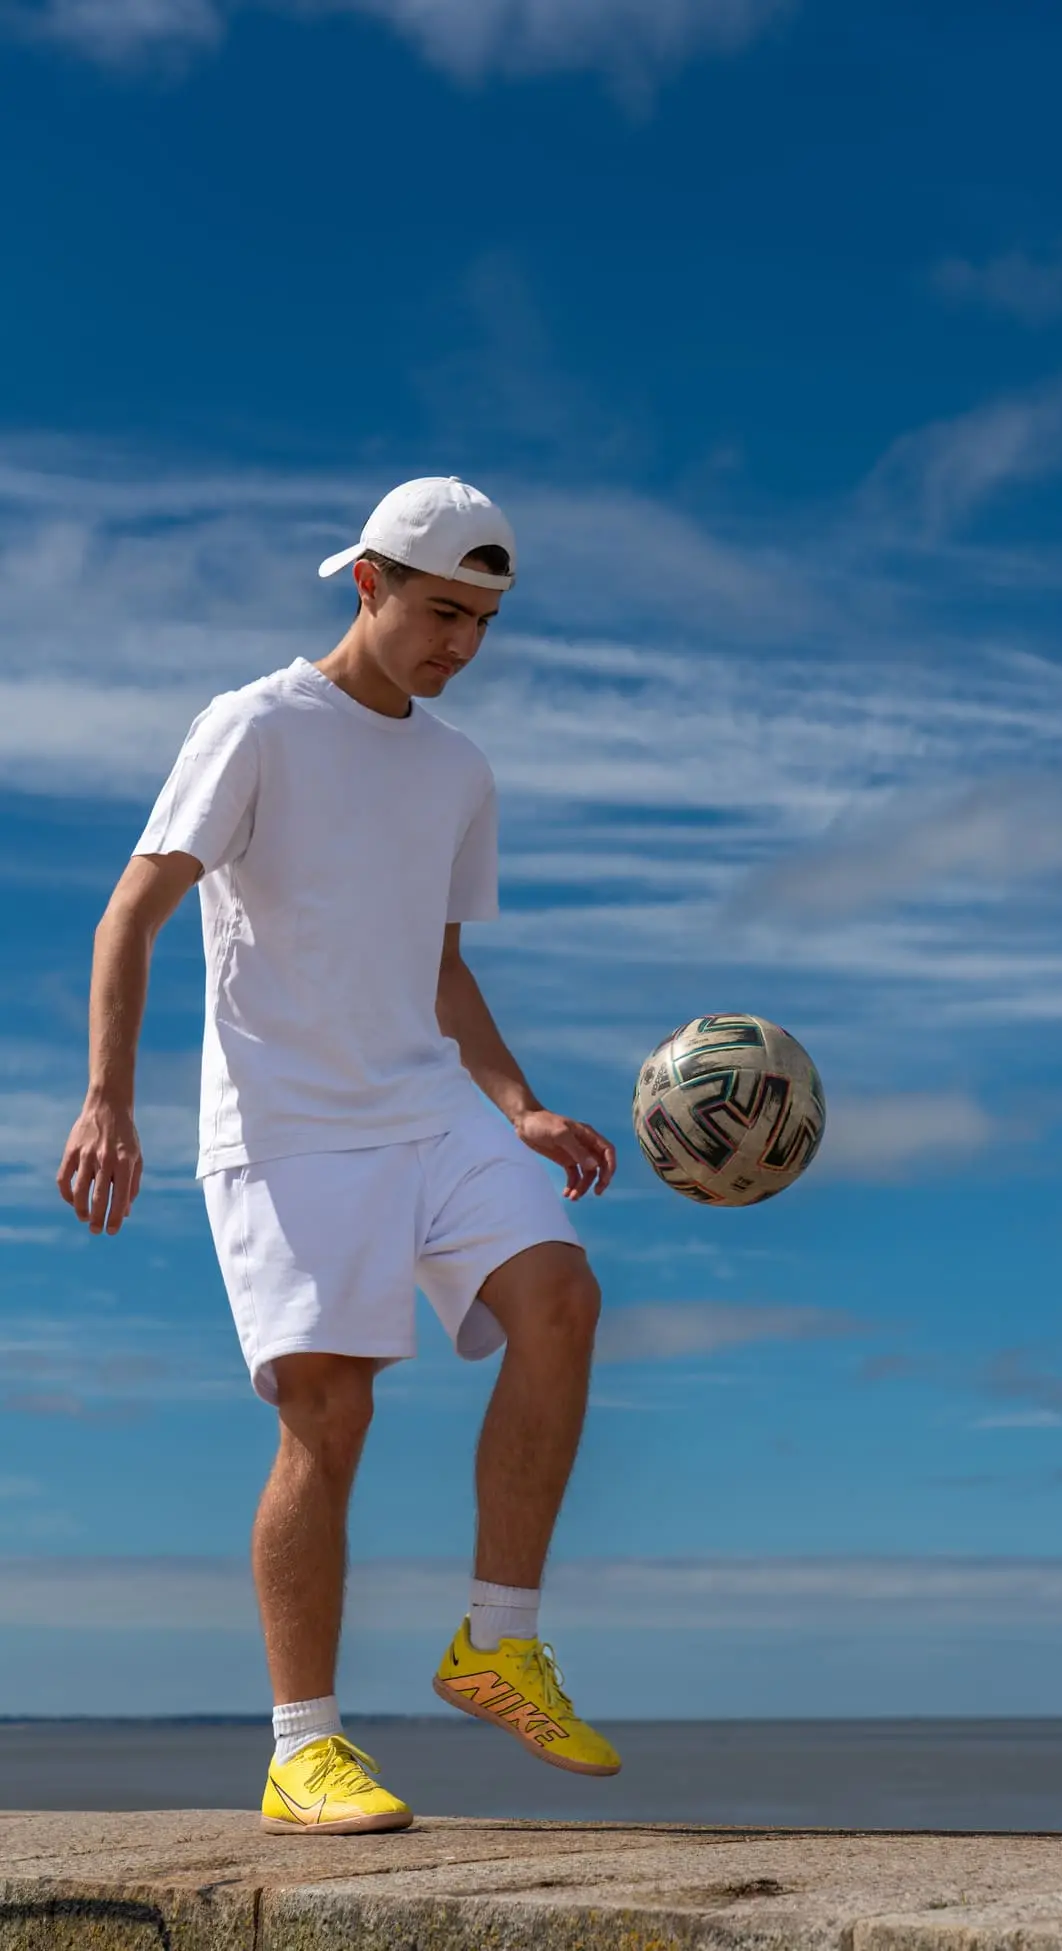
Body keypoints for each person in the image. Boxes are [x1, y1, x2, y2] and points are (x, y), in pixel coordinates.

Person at [56, 476, 621, 1834]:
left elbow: (438, 961)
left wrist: (520, 1102)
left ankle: (498, 1639)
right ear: (367, 583)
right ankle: (302, 1745)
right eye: (441, 612)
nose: (461, 647)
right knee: (331, 1413)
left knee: (564, 1296)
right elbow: (132, 910)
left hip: (427, 1108)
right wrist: (105, 1100)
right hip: (286, 1127)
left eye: (482, 621)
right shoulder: (253, 725)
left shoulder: (457, 769)